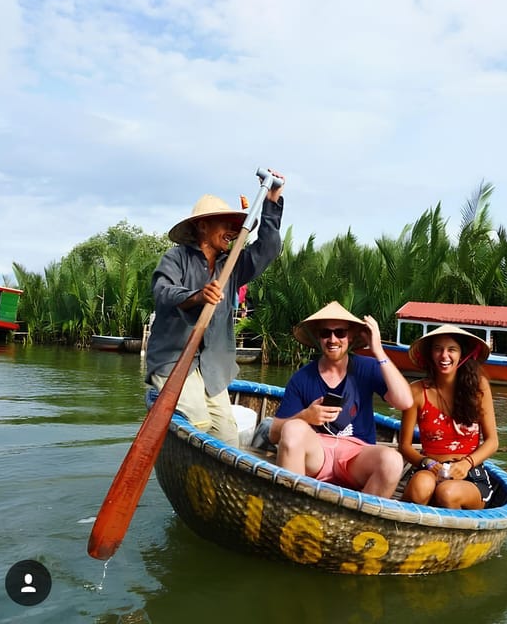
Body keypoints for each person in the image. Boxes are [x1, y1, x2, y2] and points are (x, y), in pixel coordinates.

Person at [145, 171, 285, 447]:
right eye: (226, 224)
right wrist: (197, 297)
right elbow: (163, 291)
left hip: (213, 367)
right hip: (174, 360)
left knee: (227, 440)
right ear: (203, 227)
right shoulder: (176, 258)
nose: (233, 233)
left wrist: (271, 203)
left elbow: (268, 248)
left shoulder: (231, 264)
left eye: (236, 227)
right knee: (198, 425)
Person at [269, 302, 414, 498]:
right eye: (325, 333)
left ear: (351, 335)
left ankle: (360, 522)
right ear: (318, 337)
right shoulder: (302, 378)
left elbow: (404, 402)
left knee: (393, 461)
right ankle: (294, 507)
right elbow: (274, 434)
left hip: (357, 455)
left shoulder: (367, 367)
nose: (332, 339)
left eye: (340, 332)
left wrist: (378, 350)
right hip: (318, 454)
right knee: (293, 428)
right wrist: (305, 416)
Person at [399, 324, 499, 509]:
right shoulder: (416, 391)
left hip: (470, 473)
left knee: (447, 492)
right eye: (438, 349)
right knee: (421, 487)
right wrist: (426, 462)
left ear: (462, 354)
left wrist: (466, 464)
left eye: (451, 349)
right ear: (430, 354)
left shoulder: (478, 387)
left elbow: (492, 441)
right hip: (429, 468)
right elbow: (404, 445)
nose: (444, 356)